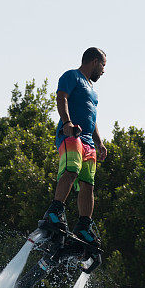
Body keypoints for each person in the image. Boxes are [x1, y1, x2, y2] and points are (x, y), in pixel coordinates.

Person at [41, 47, 107, 249]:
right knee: (72, 170)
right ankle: (54, 211)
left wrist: (99, 142)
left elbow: (92, 117)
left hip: (88, 141)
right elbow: (62, 98)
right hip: (72, 135)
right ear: (94, 61)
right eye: (103, 66)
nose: (104, 71)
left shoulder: (93, 92)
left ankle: (84, 226)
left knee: (88, 184)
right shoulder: (73, 76)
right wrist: (67, 123)